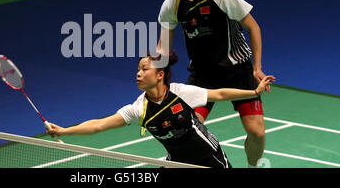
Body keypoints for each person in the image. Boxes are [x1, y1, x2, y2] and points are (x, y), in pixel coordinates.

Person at [47, 53, 275, 168]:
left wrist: (254, 93)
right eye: (137, 69)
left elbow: (220, 94)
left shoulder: (180, 93)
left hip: (209, 159)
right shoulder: (139, 109)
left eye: (144, 69)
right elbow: (99, 125)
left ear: (160, 74)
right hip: (176, 163)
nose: (138, 73)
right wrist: (65, 131)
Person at [156, 0, 268, 168]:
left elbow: (253, 28)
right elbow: (163, 49)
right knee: (187, 127)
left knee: (256, 131)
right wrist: (158, 81)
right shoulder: (172, 4)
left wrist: (257, 67)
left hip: (237, 68)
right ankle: (175, 162)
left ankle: (253, 167)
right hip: (202, 74)